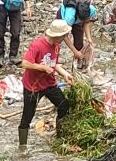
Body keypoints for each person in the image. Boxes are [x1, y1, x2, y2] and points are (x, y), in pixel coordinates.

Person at [18, 19, 75, 147]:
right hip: (33, 87)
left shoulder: (56, 46)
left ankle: (60, 134)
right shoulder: (38, 45)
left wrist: (65, 74)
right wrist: (42, 68)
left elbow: (55, 64)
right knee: (27, 117)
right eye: (63, 35)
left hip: (49, 84)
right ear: (57, 36)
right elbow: (25, 63)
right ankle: (22, 146)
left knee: (63, 105)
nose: (65, 37)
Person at [56, 0, 98, 65]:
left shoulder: (91, 10)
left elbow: (86, 22)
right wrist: (75, 51)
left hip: (76, 20)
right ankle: (53, 59)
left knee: (79, 43)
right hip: (63, 17)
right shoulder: (69, 17)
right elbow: (64, 36)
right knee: (57, 40)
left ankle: (78, 63)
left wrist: (89, 38)